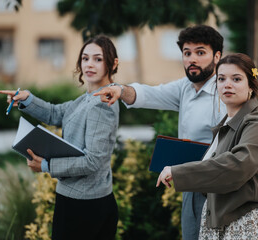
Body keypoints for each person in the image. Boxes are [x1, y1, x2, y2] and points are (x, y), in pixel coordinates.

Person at [94, 25, 227, 240]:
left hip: (220, 191)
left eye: (200, 53)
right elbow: (150, 94)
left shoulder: (225, 90)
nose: (192, 59)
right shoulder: (185, 87)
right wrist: (120, 90)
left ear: (217, 56)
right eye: (187, 53)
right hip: (191, 186)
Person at [0, 35, 120, 240]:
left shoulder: (102, 105)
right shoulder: (88, 98)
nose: (89, 64)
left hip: (86, 208)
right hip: (76, 201)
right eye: (85, 58)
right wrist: (27, 99)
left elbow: (92, 162)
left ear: (113, 63)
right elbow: (56, 114)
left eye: (98, 59)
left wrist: (46, 166)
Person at [156, 53, 258, 239]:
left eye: (236, 79)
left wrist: (178, 172)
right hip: (222, 224)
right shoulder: (226, 126)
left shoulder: (257, 124)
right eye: (221, 79)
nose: (227, 84)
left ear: (251, 86)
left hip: (249, 224)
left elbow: (236, 167)